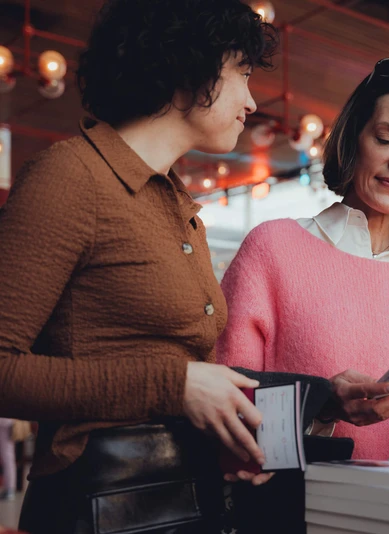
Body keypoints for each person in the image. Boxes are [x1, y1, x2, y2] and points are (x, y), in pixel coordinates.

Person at [0, 1, 277, 532]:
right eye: (241, 74)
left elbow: (189, 372)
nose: (251, 100)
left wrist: (330, 397)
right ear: (185, 69)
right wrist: (171, 386)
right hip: (100, 504)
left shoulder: (177, 206)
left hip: (186, 496)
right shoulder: (70, 178)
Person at [218, 58, 389, 461]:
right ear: (353, 137)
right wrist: (323, 406)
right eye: (385, 138)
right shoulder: (272, 248)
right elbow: (226, 402)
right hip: (302, 509)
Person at [0, 419, 15, 501]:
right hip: (6, 420)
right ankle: (9, 488)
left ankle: (9, 489)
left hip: (4, 421)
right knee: (7, 455)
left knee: (7, 455)